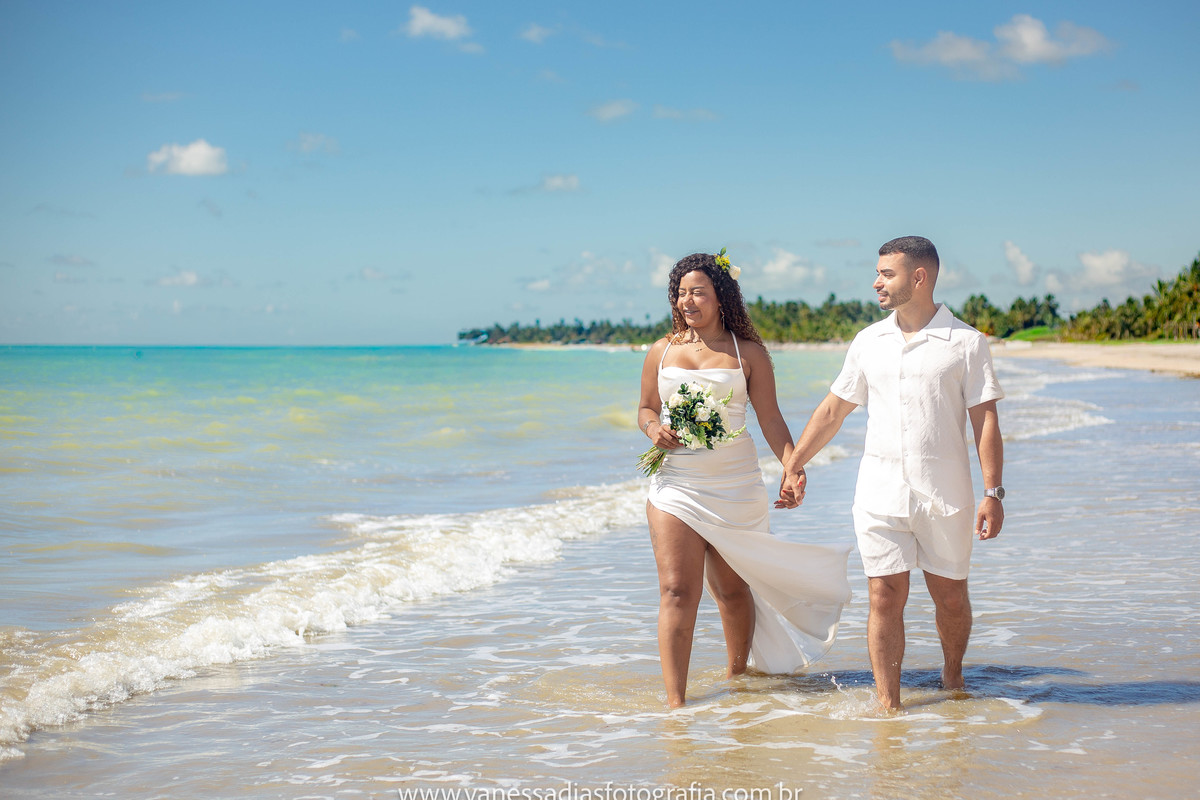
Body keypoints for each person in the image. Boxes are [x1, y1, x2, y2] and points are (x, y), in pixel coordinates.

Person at [777, 235, 1005, 711]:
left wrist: (993, 492)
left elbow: (985, 421)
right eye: (878, 273)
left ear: (918, 277)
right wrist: (793, 465)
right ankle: (889, 706)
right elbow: (833, 410)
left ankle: (953, 674)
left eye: (886, 274)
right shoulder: (868, 341)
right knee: (883, 596)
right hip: (879, 493)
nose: (876, 282)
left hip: (945, 494)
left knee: (950, 597)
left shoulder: (966, 343)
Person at [638, 251, 851, 708]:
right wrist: (654, 429)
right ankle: (676, 705)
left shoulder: (747, 353)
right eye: (681, 293)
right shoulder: (662, 350)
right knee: (677, 590)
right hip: (675, 486)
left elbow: (770, 418)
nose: (687, 301)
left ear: (721, 296)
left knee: (733, 592)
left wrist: (793, 468)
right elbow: (646, 408)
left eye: (698, 292)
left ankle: (737, 681)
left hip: (736, 487)